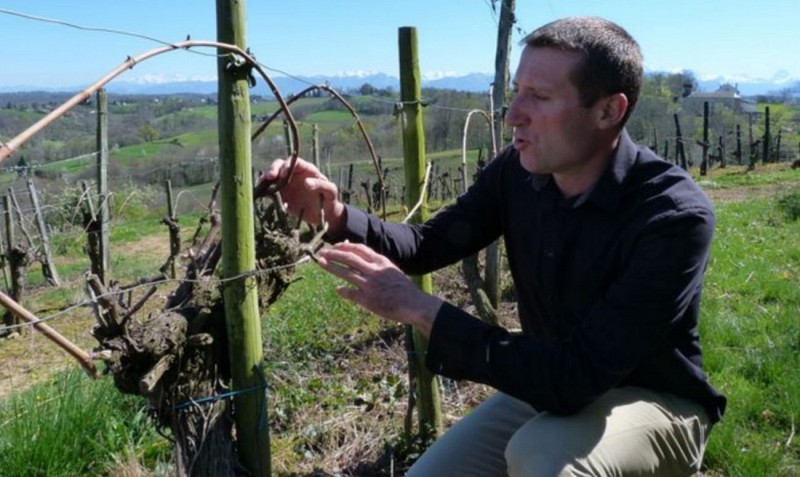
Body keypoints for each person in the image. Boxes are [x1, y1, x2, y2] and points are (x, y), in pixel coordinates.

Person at [264, 16, 726, 477]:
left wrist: (421, 310)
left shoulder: (672, 216)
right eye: (516, 90)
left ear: (608, 111)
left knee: (544, 459)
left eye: (540, 97)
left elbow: (577, 376)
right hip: (544, 382)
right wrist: (335, 215)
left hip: (655, 401)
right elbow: (428, 244)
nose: (512, 116)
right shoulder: (517, 173)